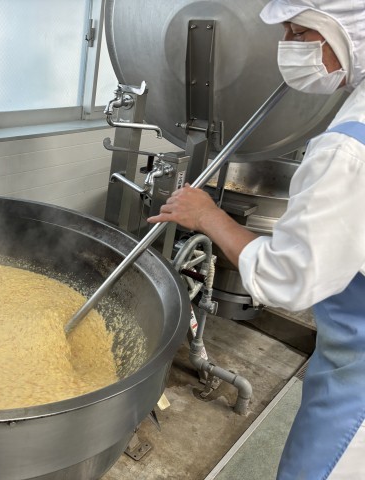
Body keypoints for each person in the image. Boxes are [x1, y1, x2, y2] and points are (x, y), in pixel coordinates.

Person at [147, 0, 365, 478]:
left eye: (297, 33)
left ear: (348, 27)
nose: (287, 46)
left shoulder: (348, 148)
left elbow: (287, 279)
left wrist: (208, 215)